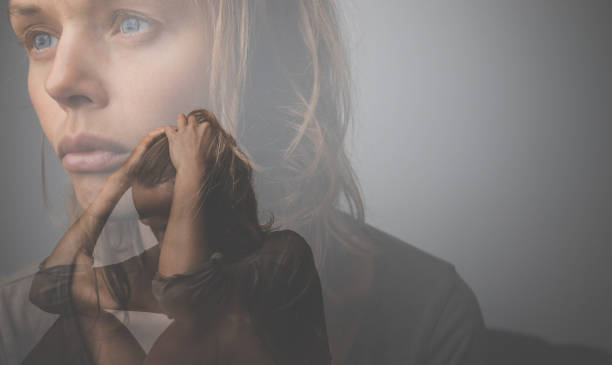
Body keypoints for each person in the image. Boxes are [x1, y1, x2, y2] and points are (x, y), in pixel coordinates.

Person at [2, 0, 485, 364]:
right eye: (40, 38)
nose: (58, 82)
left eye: (131, 22)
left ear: (263, 55)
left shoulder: (423, 312)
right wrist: (128, 174)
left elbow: (183, 290)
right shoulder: (15, 325)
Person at [22, 109, 331, 365]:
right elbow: (49, 289)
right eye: (152, 226)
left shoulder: (281, 257)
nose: (160, 239)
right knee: (89, 317)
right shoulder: (149, 268)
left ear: (209, 205)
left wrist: (192, 171)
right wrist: (118, 182)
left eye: (170, 223)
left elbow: (184, 299)